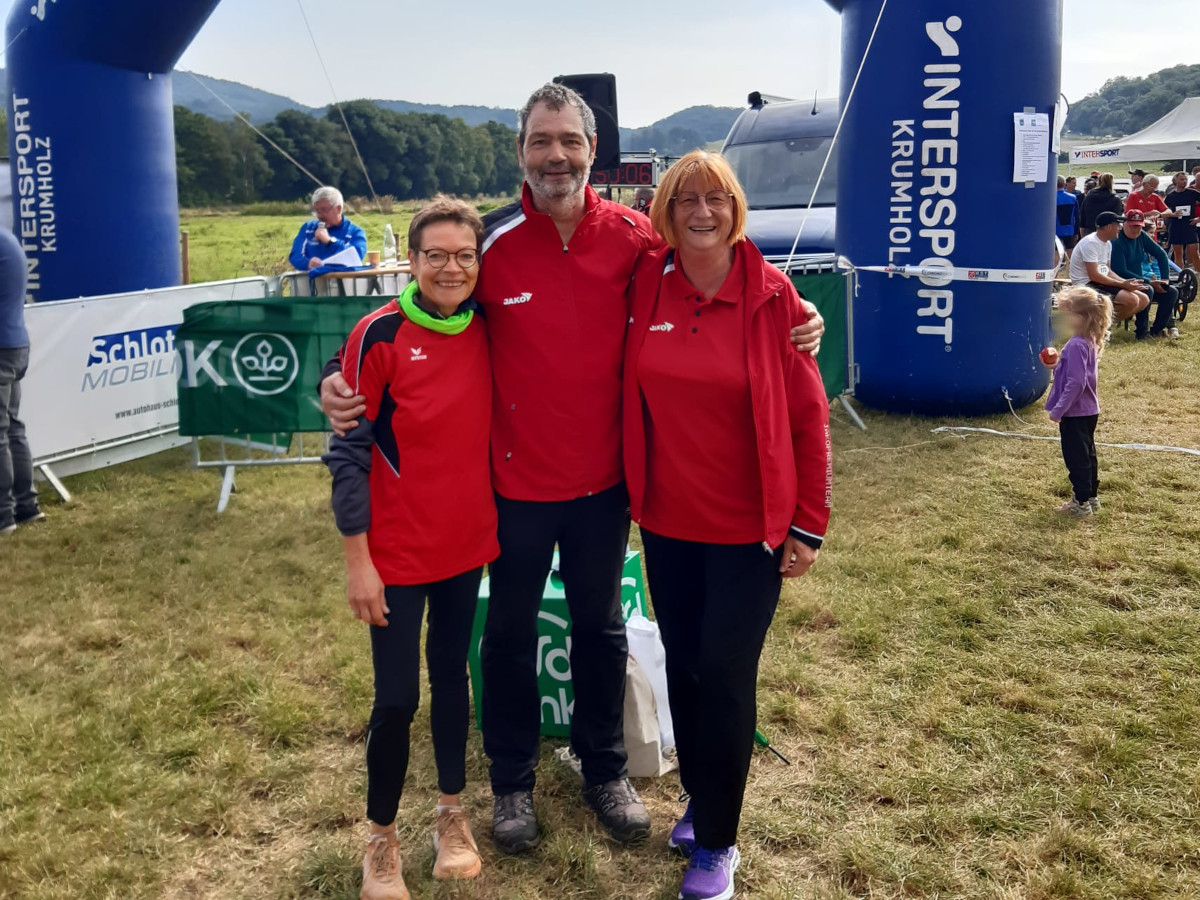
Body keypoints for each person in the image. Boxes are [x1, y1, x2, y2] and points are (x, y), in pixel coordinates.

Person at [319, 83, 827, 856]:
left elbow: (714, 259)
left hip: (609, 488)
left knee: (600, 629)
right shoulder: (489, 242)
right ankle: (513, 781)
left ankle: (605, 768)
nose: (556, 155)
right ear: (520, 150)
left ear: (594, 151)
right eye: (540, 141)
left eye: (570, 141)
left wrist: (795, 311)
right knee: (512, 634)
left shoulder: (633, 237)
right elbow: (420, 305)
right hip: (513, 486)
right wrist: (335, 370)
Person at [623, 151, 832, 900]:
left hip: (752, 530)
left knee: (724, 671)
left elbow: (809, 418)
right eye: (687, 201)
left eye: (717, 199)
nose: (702, 213)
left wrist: (810, 523)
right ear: (667, 211)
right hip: (670, 522)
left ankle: (719, 842)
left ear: (736, 207)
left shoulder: (775, 297)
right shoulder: (649, 278)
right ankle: (702, 798)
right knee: (684, 664)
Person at [322, 198, 496, 899]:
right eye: (436, 256)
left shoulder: (490, 326)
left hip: (467, 545)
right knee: (395, 700)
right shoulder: (380, 333)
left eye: (464, 256)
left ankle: (452, 815)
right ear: (413, 261)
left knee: (452, 679)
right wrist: (358, 560)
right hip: (394, 557)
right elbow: (348, 453)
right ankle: (381, 840)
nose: (451, 268)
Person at [1042, 285, 1111, 518]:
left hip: (1075, 413)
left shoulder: (1075, 345)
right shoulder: (1087, 340)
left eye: (1066, 314)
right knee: (1088, 454)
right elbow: (1078, 374)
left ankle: (1080, 502)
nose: (1062, 319)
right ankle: (1091, 497)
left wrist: (1058, 410)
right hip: (1089, 411)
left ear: (1082, 317)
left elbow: (1077, 383)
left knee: (1076, 457)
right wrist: (1056, 365)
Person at [0, 228, 42, 536]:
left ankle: (3, 515)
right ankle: (26, 506)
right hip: (15, 343)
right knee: (12, 427)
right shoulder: (7, 238)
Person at [1068, 211, 1148, 329]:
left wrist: (1127, 283)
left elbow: (1107, 270)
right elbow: (1094, 275)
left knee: (1143, 299)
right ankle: (1097, 328)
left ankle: (1099, 326)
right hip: (1085, 283)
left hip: (1098, 281)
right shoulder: (1091, 243)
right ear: (1109, 227)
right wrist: (1122, 284)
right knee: (1132, 300)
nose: (1120, 228)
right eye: (1118, 225)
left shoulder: (1107, 243)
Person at [1110, 210, 1179, 340]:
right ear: (1125, 224)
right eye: (1133, 226)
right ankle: (1142, 332)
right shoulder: (1116, 242)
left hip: (1141, 280)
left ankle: (1157, 330)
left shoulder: (1141, 236)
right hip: (1122, 283)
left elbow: (1161, 254)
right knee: (1148, 290)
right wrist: (1148, 281)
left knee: (1171, 292)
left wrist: (1164, 279)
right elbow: (1120, 271)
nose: (1136, 229)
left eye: (1139, 226)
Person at [289, 186, 368, 271]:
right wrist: (307, 263)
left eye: (324, 210)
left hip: (343, 282)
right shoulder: (308, 228)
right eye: (317, 211)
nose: (319, 215)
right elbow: (295, 255)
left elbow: (356, 258)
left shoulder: (355, 232)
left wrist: (330, 241)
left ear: (338, 209)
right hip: (312, 282)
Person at [1163, 171, 1200, 270]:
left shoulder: (1192, 193)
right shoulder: (1170, 196)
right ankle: (1180, 275)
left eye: (1186, 180)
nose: (1184, 182)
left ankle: (1198, 275)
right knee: (1178, 254)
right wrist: (1172, 214)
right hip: (1175, 227)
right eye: (1182, 179)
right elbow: (1164, 211)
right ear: (1176, 181)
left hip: (1190, 226)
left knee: (1195, 253)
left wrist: (1198, 219)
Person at [1055, 175, 1080, 257]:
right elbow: (1077, 216)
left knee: (1055, 255)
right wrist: (1076, 232)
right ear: (1064, 184)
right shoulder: (1073, 197)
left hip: (1054, 232)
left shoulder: (1051, 198)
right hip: (1069, 231)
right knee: (1071, 255)